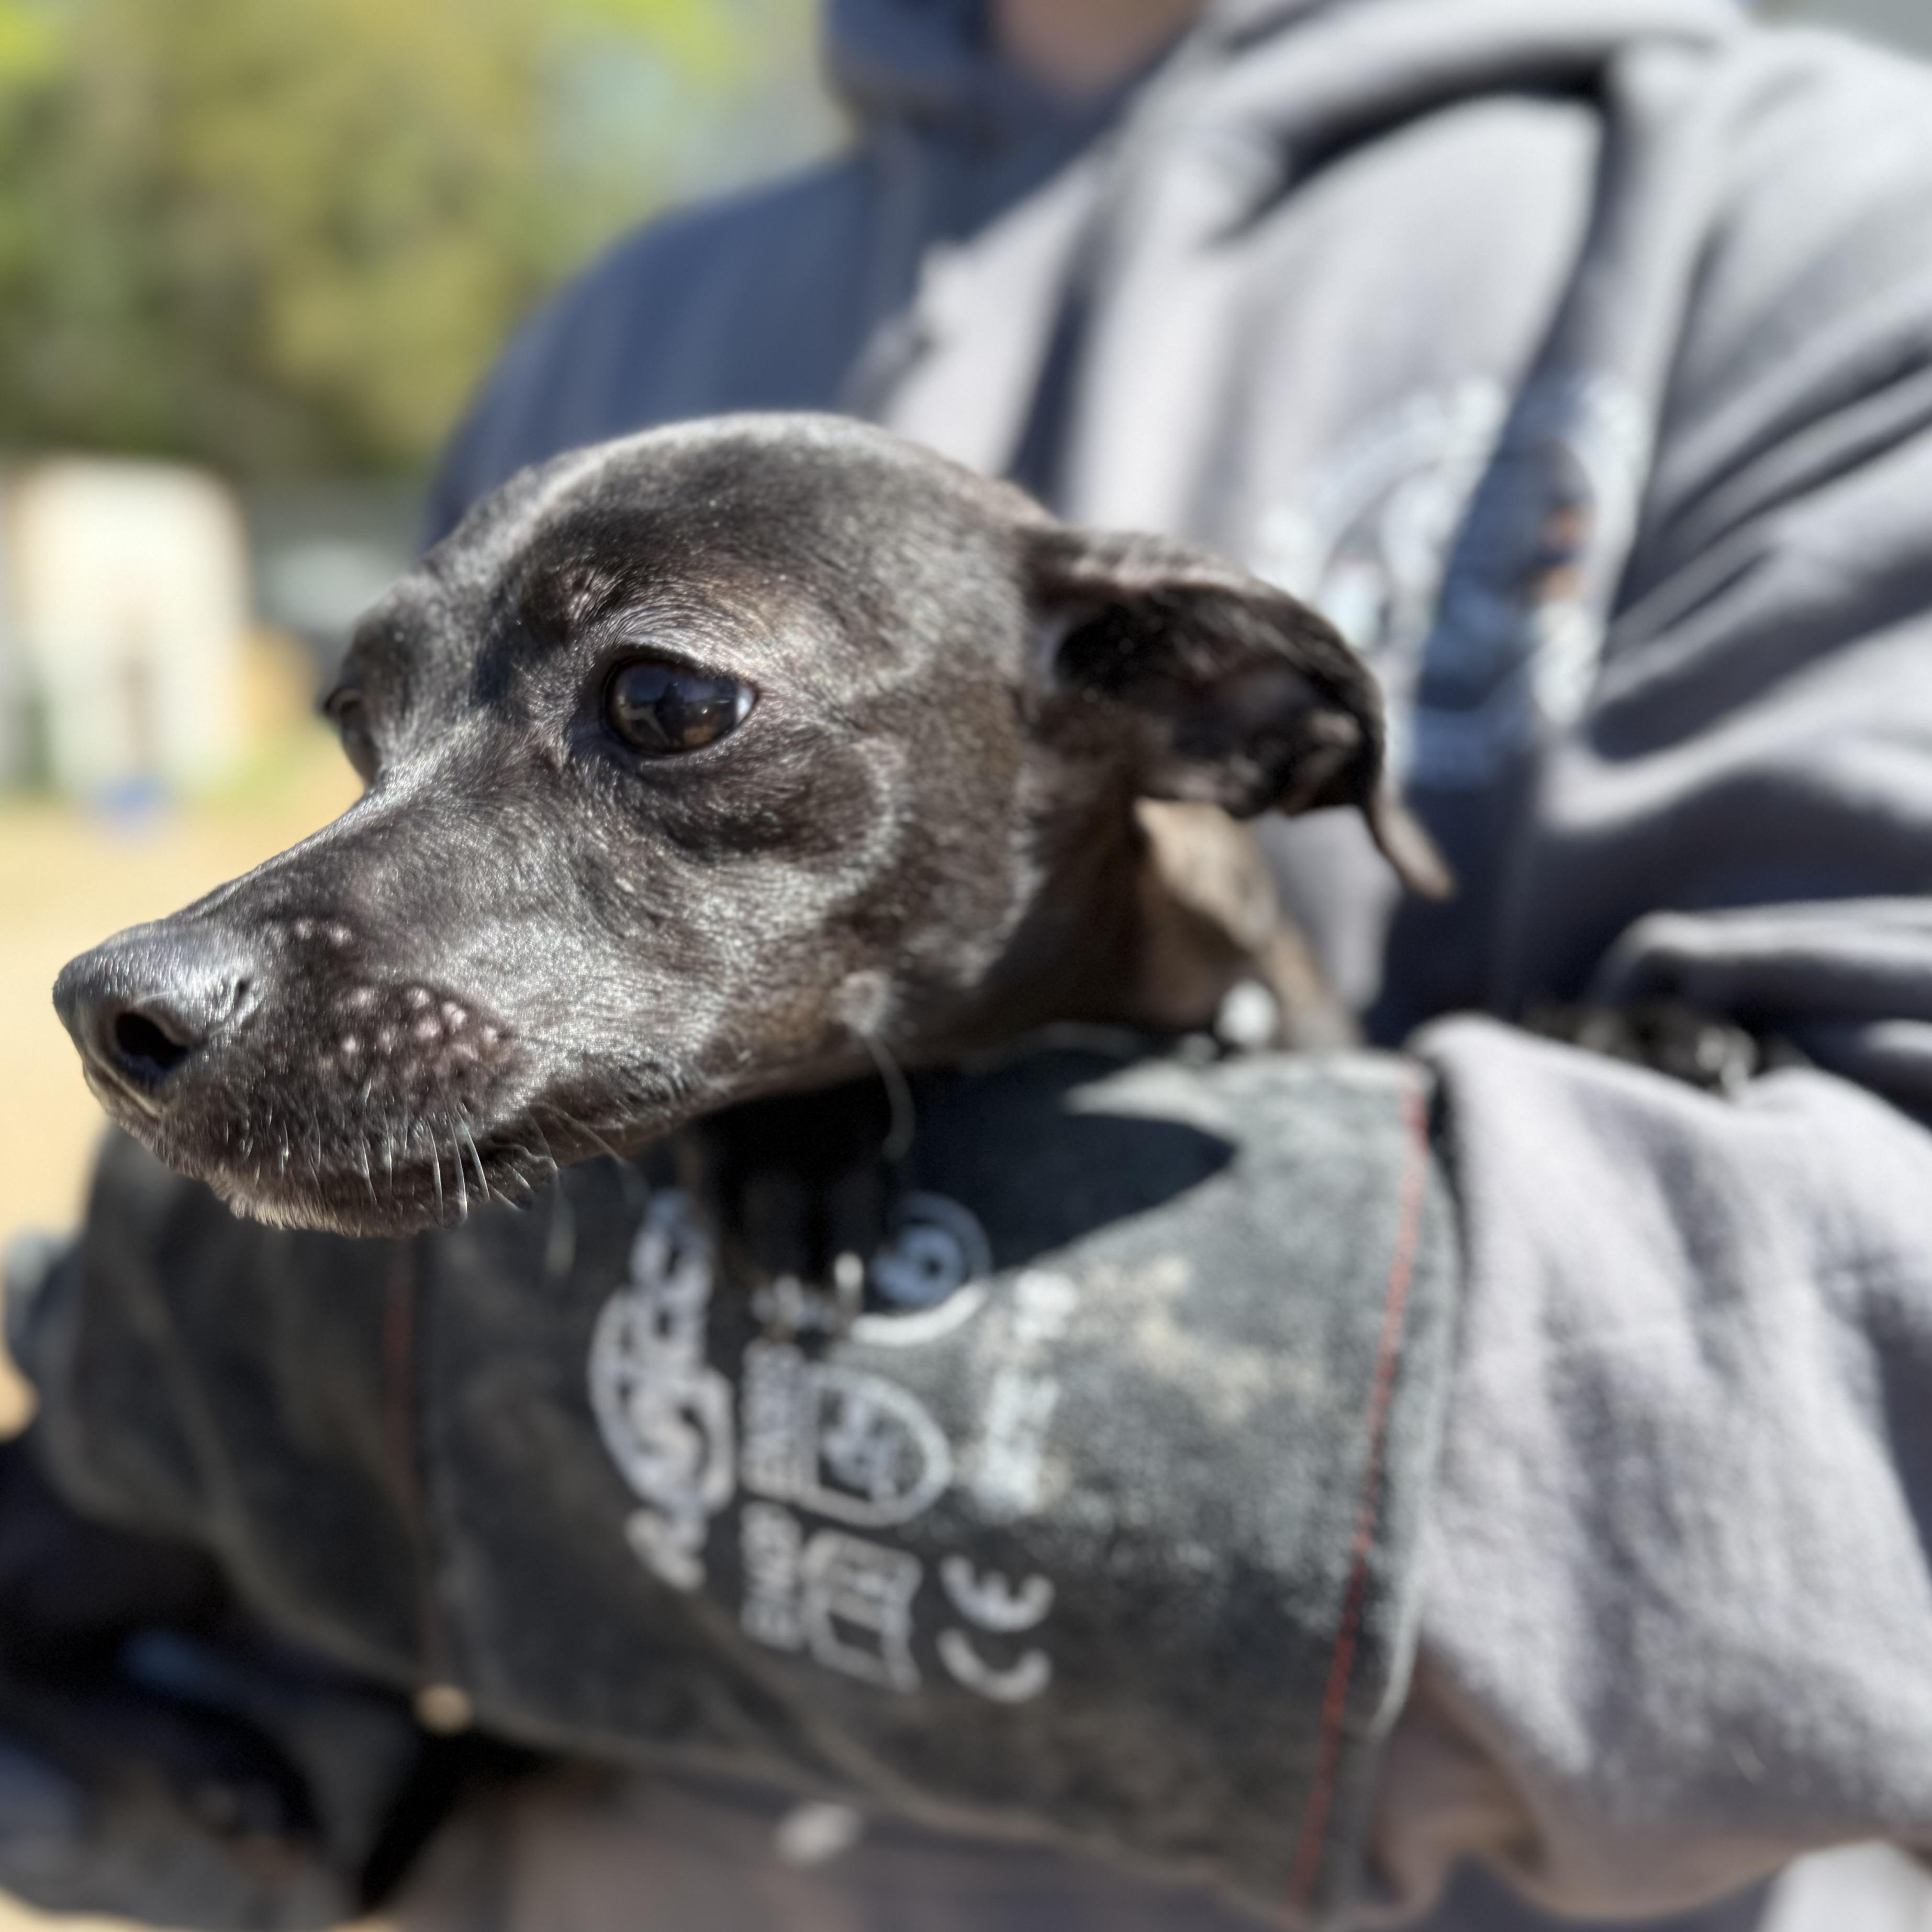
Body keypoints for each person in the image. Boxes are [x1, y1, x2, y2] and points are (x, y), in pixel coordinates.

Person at [6, 0, 1932, 1927]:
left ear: (1210, 703)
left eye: (663, 705)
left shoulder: (1814, 219)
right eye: (379, 732)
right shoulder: (622, 322)